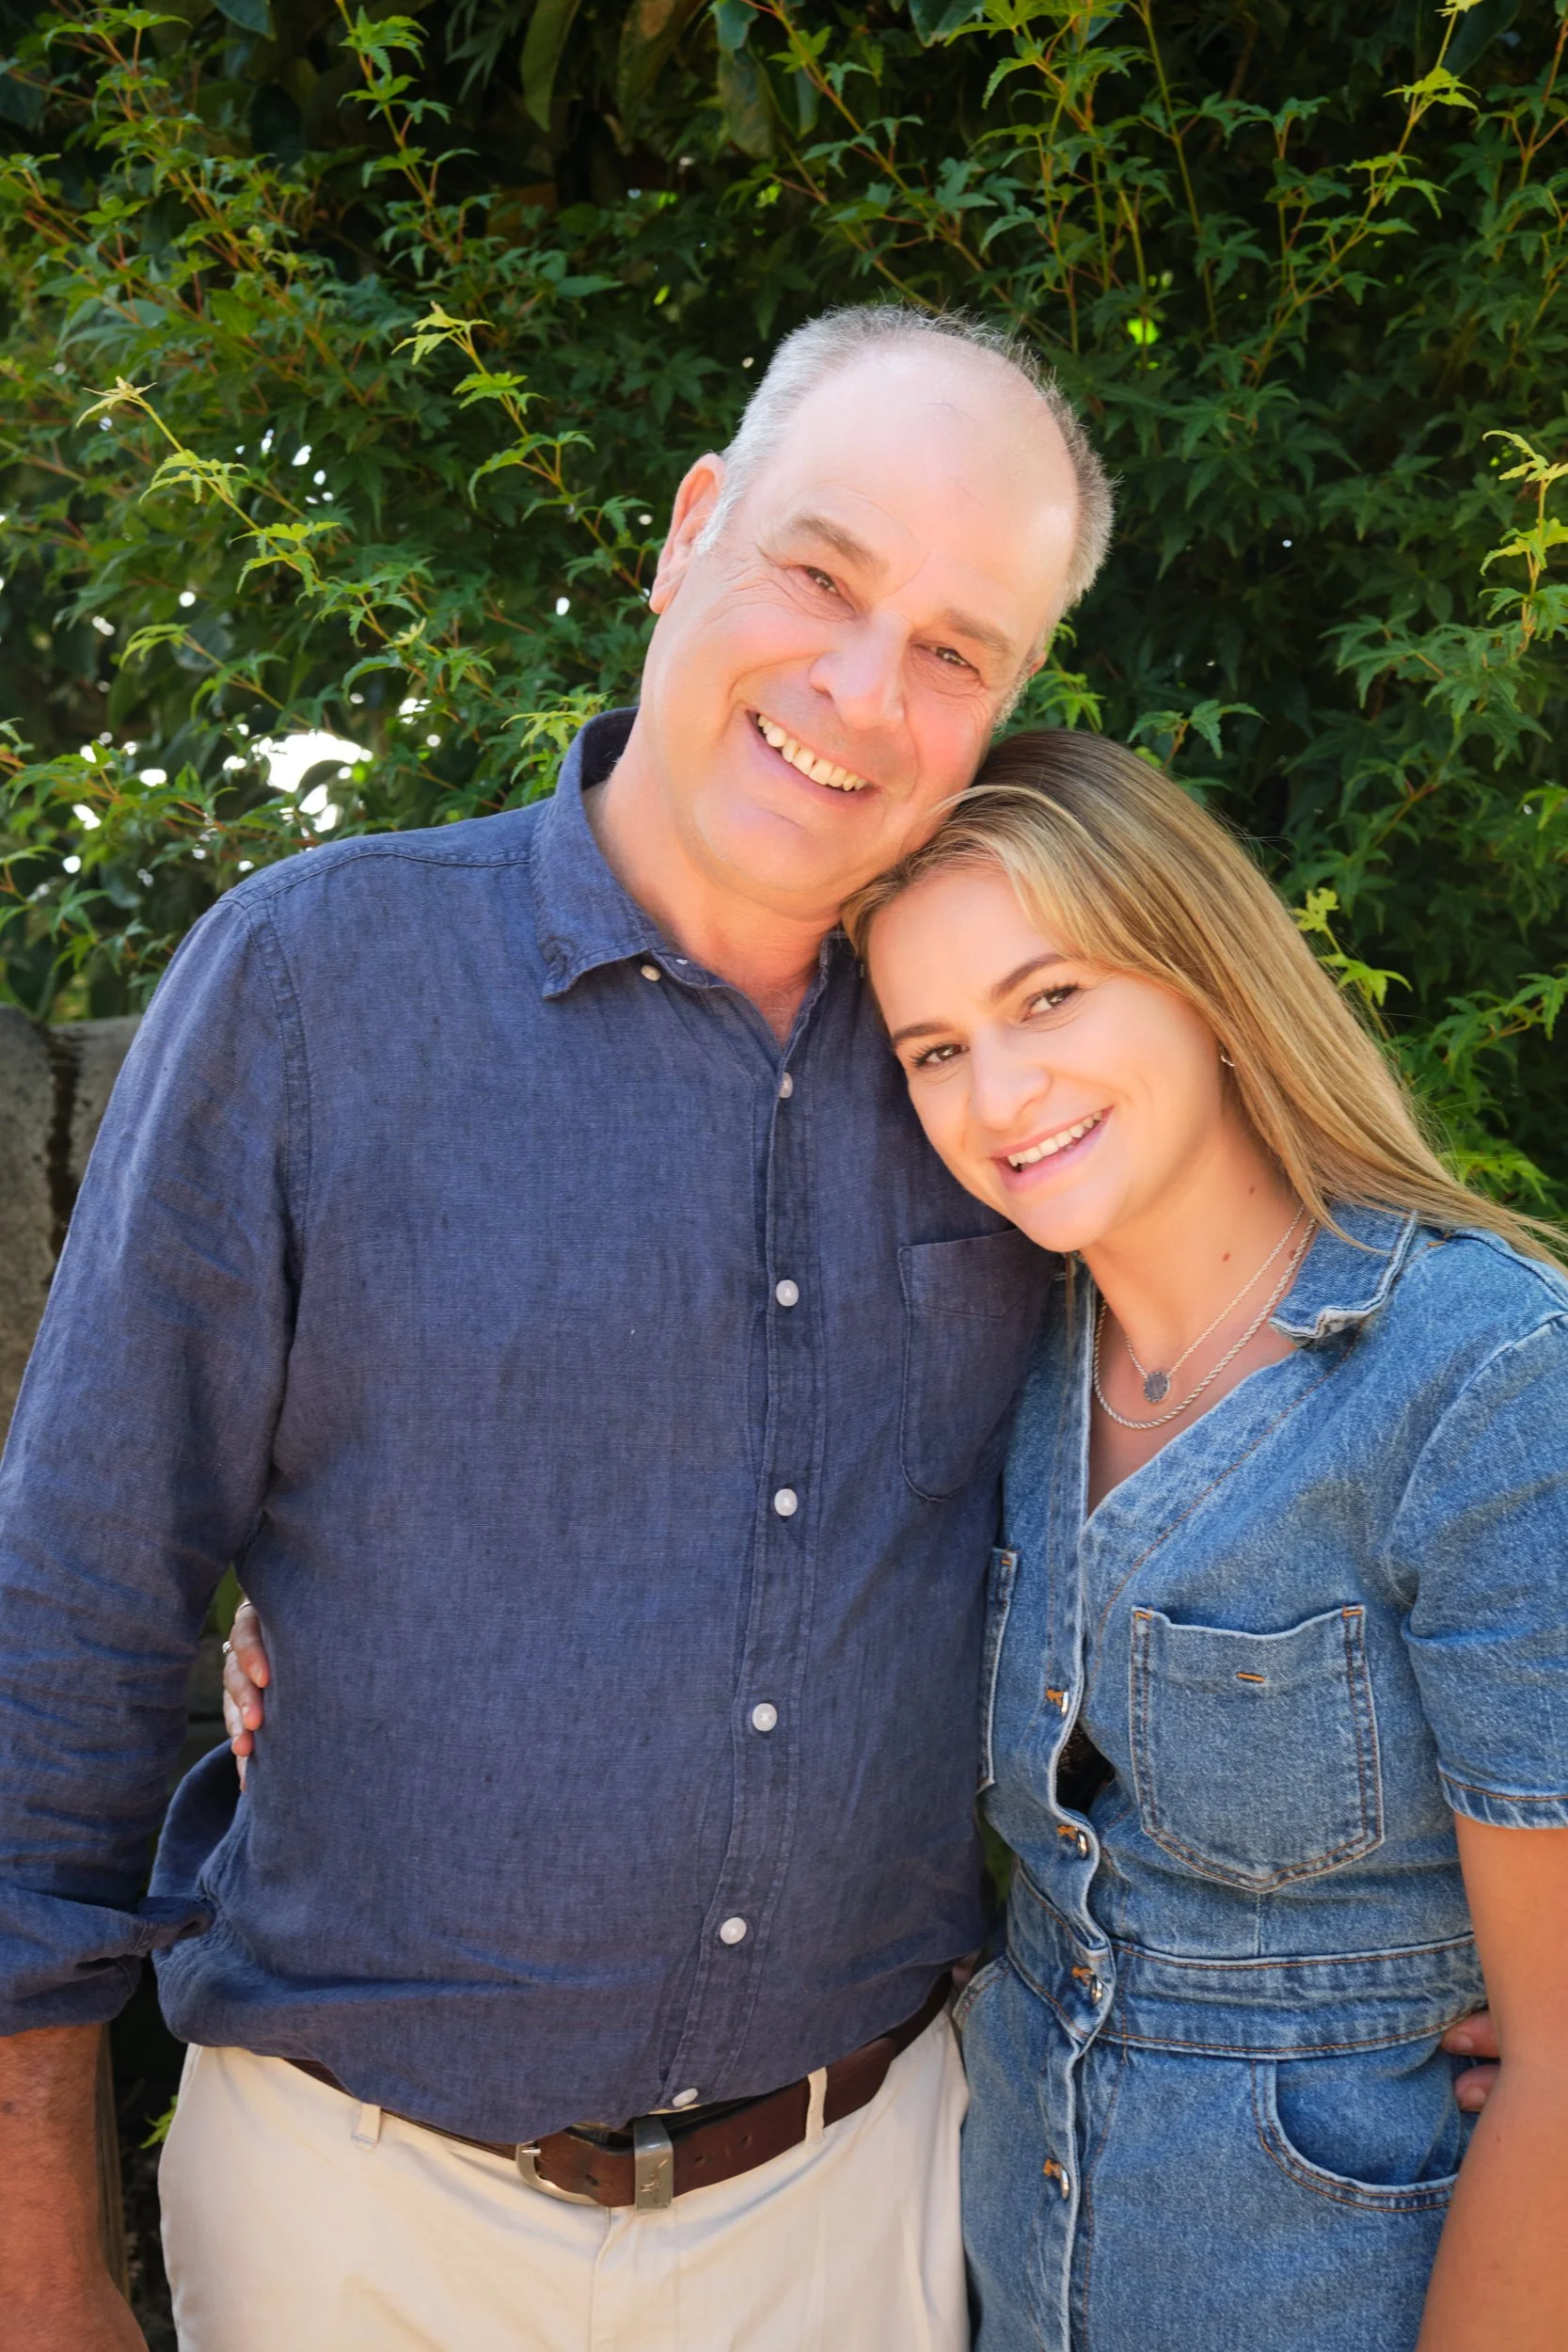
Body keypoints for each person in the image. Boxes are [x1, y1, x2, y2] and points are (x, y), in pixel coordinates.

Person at [0, 305, 1109, 2352]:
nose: (862, 689)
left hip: (858, 2206)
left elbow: (1242, 1444)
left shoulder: (1019, 1072)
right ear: (690, 531)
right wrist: (32, 2252)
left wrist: (1433, 1923)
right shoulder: (315, 985)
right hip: (353, 2224)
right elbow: (66, 1614)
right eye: (819, 570)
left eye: (957, 649)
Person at [842, 728, 1568, 2352]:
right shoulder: (998, 1369)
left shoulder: (1482, 1378)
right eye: (933, 1049)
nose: (1000, 1095)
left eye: (1048, 999)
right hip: (1022, 2283)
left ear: (1202, 978)